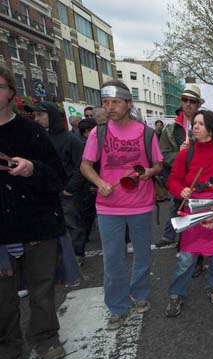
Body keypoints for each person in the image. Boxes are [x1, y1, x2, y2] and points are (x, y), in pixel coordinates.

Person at [80, 80, 163, 330]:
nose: (110, 107)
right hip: (108, 206)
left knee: (142, 254)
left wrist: (149, 172)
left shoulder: (146, 133)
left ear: (128, 103)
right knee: (112, 258)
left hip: (140, 204)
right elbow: (85, 166)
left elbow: (158, 165)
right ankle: (117, 306)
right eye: (106, 102)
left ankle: (139, 294)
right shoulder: (98, 132)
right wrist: (100, 182)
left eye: (115, 102)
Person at [0, 66, 67, 359]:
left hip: (37, 225)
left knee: (41, 290)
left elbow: (58, 178)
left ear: (11, 93)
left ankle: (45, 338)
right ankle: (7, 347)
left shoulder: (33, 133)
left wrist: (32, 169)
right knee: (2, 297)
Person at [165, 110, 213, 316]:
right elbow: (172, 180)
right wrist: (181, 190)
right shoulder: (186, 153)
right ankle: (176, 294)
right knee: (186, 258)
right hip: (192, 213)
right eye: (194, 123)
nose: (195, 126)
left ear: (212, 129)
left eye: (200, 123)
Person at [26, 102, 86, 267]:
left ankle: (77, 254)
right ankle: (61, 257)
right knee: (52, 225)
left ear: (51, 116)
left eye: (40, 115)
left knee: (72, 223)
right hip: (46, 191)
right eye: (35, 116)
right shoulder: (39, 137)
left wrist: (70, 188)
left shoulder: (71, 139)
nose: (36, 119)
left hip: (66, 191)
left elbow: (81, 166)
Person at [155, 84, 205, 248]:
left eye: (192, 101)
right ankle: (170, 237)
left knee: (196, 214)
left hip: (199, 179)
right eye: (185, 100)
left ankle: (189, 247)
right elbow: (164, 156)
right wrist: (181, 155)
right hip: (178, 179)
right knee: (174, 207)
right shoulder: (170, 129)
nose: (188, 104)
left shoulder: (207, 126)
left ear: (198, 104)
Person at [76, 118, 98, 246]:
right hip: (89, 183)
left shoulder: (97, 140)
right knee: (88, 212)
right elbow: (84, 166)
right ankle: (85, 236)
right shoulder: (81, 143)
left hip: (96, 182)